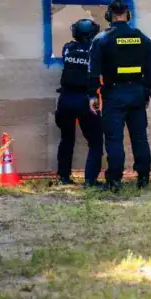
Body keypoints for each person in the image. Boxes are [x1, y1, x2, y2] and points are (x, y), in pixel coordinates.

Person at [88, 0, 151, 192]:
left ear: (109, 16)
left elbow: (93, 71)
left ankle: (114, 180)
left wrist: (92, 95)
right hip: (136, 93)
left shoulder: (102, 39)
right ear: (128, 15)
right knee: (140, 137)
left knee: (114, 139)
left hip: (114, 94)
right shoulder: (142, 38)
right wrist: (147, 90)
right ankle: (143, 177)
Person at [55, 18, 103, 187]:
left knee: (66, 139)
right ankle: (90, 180)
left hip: (66, 99)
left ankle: (63, 177)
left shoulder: (67, 48)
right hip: (85, 99)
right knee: (96, 141)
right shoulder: (95, 51)